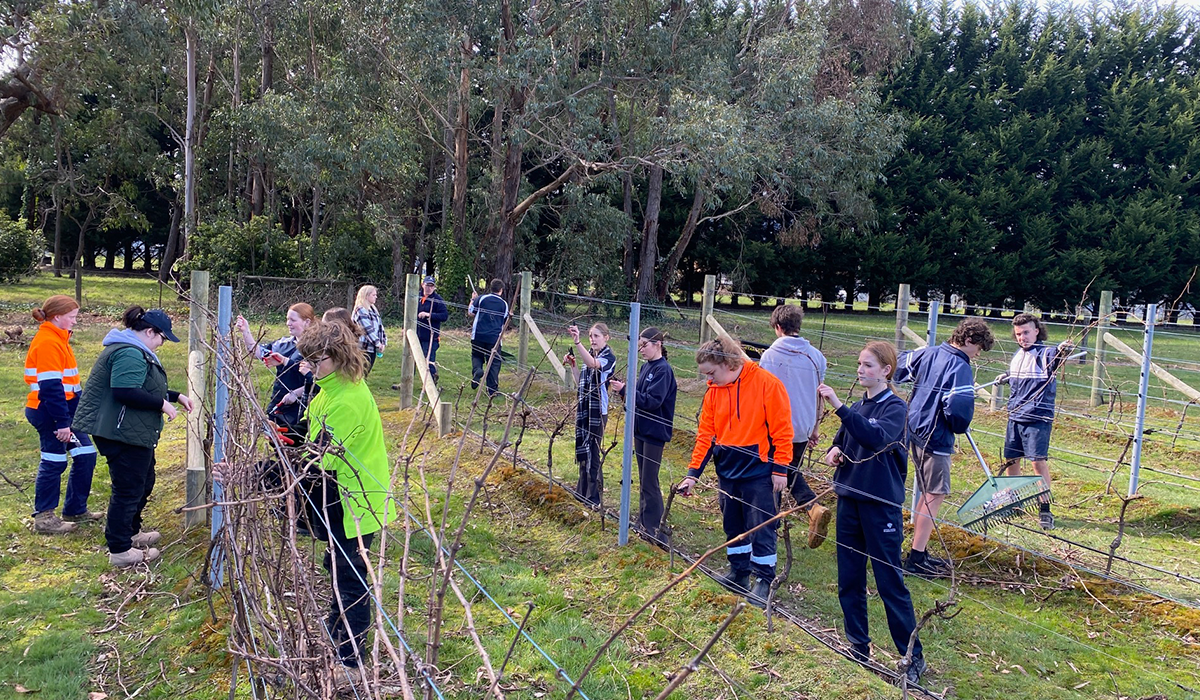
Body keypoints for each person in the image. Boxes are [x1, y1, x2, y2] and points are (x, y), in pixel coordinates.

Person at [818, 341, 926, 685]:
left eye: (867, 365)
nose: (860, 370)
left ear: (886, 371)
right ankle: (858, 646)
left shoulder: (896, 408)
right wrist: (835, 451)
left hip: (880, 507)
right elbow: (845, 438)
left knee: (889, 581)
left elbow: (876, 438)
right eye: (860, 364)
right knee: (849, 578)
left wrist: (837, 406)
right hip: (849, 499)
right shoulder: (859, 406)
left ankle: (911, 657)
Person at [296, 320, 395, 680]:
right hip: (339, 496)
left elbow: (318, 458)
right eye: (307, 358)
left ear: (337, 357)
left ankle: (352, 662)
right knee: (338, 567)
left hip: (356, 502)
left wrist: (266, 474)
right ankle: (337, 626)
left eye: (317, 359)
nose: (310, 365)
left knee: (351, 578)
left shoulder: (347, 400)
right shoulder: (331, 387)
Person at [73, 306, 193, 567]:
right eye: (162, 337)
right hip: (120, 432)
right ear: (150, 331)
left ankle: (131, 532)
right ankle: (120, 549)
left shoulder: (134, 350)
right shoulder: (129, 352)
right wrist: (163, 405)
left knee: (143, 480)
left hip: (129, 430)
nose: (162, 343)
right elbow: (125, 391)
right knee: (128, 489)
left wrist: (175, 396)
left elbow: (144, 385)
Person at [678, 335, 793, 607]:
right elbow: (706, 435)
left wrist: (780, 468)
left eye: (711, 373)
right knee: (733, 525)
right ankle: (738, 572)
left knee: (761, 527)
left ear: (728, 364)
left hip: (759, 472)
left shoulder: (767, 385)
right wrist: (692, 474)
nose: (708, 379)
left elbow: (782, 430)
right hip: (727, 472)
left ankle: (764, 580)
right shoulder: (714, 391)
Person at [894, 316, 995, 578]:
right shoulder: (960, 366)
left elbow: (897, 367)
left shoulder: (927, 353)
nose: (977, 355)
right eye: (979, 348)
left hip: (913, 429)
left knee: (926, 491)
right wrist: (958, 423)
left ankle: (920, 549)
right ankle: (916, 557)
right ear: (970, 340)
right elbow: (959, 411)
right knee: (934, 494)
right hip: (936, 437)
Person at [24, 295, 101, 534]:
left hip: (64, 412)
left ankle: (75, 509)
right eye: (72, 317)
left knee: (86, 455)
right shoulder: (48, 342)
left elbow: (70, 386)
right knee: (54, 460)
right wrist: (61, 423)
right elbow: (51, 388)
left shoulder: (59, 339)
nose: (75, 322)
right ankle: (44, 517)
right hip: (49, 412)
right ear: (57, 317)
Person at [758, 303, 832, 549]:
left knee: (776, 474)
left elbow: (763, 394)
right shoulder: (816, 356)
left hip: (774, 428)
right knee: (788, 470)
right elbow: (819, 394)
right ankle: (807, 510)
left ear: (778, 327)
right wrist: (815, 427)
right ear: (798, 326)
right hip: (802, 426)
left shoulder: (769, 356)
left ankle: (805, 509)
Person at [997, 313, 1073, 530]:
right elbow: (1016, 374)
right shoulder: (1018, 355)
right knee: (1011, 460)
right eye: (1019, 334)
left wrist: (1064, 349)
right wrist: (1005, 376)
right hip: (1015, 416)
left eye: (1027, 332)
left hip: (1037, 418)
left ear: (1037, 331)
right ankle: (1014, 502)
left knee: (1037, 462)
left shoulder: (1045, 353)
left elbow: (1058, 357)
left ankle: (1045, 509)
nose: (1023, 337)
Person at [610, 327, 677, 539]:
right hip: (641, 429)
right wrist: (626, 393)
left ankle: (655, 529)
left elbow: (652, 401)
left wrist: (625, 390)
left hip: (654, 432)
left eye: (644, 345)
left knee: (650, 480)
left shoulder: (663, 370)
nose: (641, 350)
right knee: (643, 478)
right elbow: (640, 396)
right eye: (639, 346)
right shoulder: (646, 367)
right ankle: (644, 522)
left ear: (658, 344)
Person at [235, 303, 317, 430]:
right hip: (280, 403)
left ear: (307, 322)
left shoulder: (317, 347)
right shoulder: (283, 343)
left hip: (302, 407)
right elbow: (256, 352)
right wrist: (246, 331)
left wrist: (295, 394)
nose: (288, 323)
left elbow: (318, 379)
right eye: (287, 319)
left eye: (293, 320)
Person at [564, 323, 617, 507]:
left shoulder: (608, 357)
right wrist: (573, 366)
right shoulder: (589, 353)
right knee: (584, 450)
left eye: (597, 336)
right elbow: (581, 382)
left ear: (606, 338)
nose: (593, 339)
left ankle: (594, 496)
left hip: (598, 412)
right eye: (591, 336)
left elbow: (593, 365)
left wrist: (577, 342)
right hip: (585, 409)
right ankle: (582, 492)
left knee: (594, 453)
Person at [467, 278, 509, 397]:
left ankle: (477, 370)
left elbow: (471, 313)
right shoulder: (504, 304)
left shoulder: (481, 299)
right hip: (494, 338)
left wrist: (472, 300)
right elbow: (505, 322)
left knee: (476, 355)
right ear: (501, 290)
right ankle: (492, 390)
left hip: (478, 335)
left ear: (490, 288)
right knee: (494, 362)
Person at [416, 276, 449, 384]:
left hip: (430, 336)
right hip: (416, 335)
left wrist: (429, 315)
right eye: (427, 285)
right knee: (412, 359)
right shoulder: (417, 297)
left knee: (428, 360)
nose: (429, 288)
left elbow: (444, 316)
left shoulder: (438, 300)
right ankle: (407, 382)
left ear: (434, 287)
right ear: (422, 285)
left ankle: (430, 383)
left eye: (431, 286)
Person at [352, 285, 387, 376]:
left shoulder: (373, 310)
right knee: (359, 373)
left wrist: (383, 342)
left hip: (372, 348)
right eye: (373, 295)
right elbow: (366, 329)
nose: (376, 297)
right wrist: (378, 343)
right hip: (362, 348)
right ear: (366, 296)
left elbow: (380, 327)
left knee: (365, 372)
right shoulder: (360, 310)